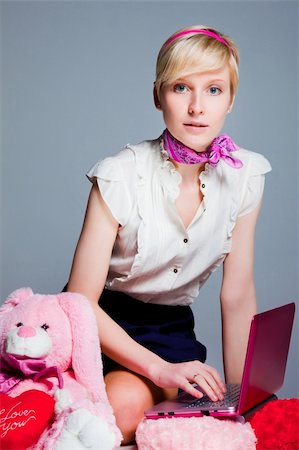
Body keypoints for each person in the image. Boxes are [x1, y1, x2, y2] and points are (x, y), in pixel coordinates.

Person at [66, 25, 271, 444]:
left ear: (231, 99)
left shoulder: (246, 174)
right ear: (157, 95)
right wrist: (159, 369)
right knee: (118, 410)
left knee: (213, 422)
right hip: (100, 322)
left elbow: (237, 294)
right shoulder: (121, 174)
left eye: (214, 90)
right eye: (181, 87)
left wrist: (241, 401)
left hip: (172, 329)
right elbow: (79, 300)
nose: (197, 107)